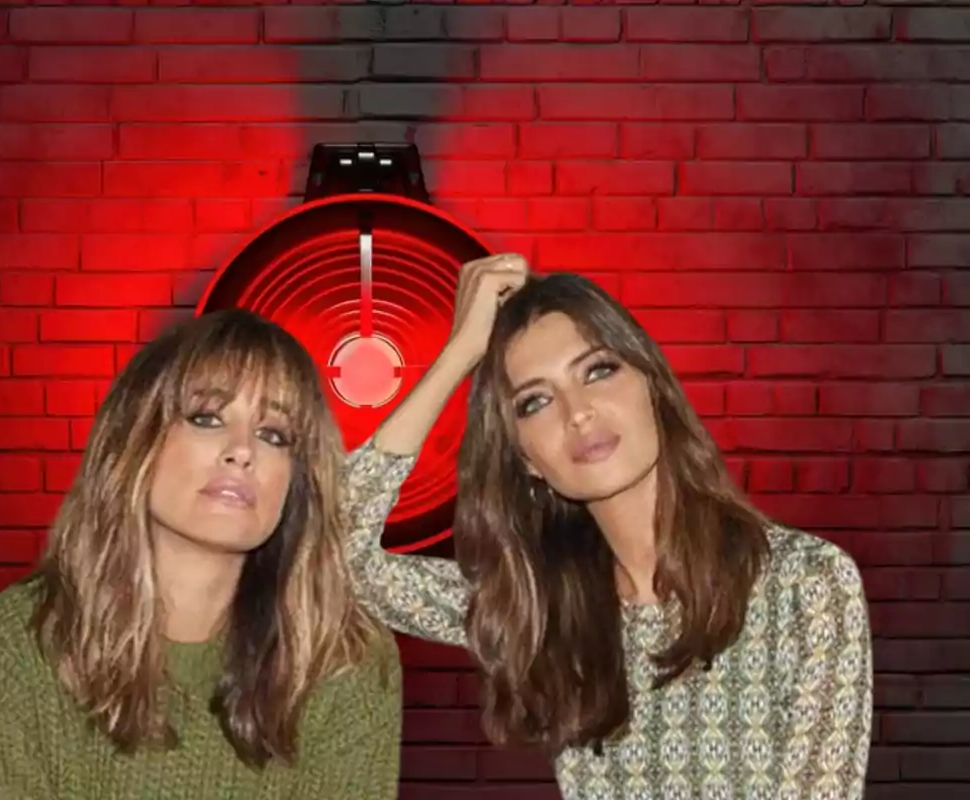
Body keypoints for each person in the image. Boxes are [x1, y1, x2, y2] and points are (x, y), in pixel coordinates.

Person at [343, 255, 873, 798]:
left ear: (652, 384)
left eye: (598, 370)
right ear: (524, 457)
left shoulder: (804, 585)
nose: (578, 412)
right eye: (535, 401)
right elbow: (337, 559)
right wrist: (458, 355)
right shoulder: (540, 607)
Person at [0, 309, 402, 799]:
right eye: (206, 418)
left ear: (297, 480)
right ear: (134, 441)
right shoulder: (13, 649)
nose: (242, 451)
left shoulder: (346, 661)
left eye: (273, 434)